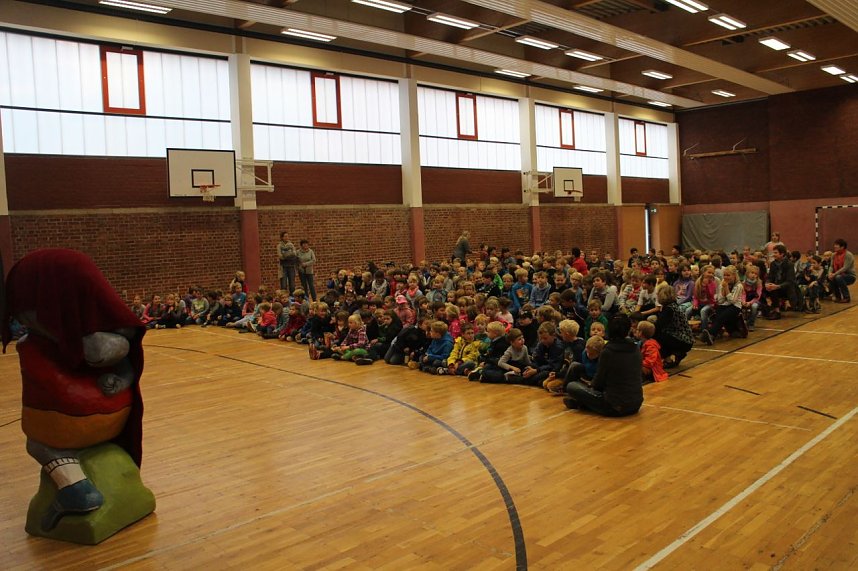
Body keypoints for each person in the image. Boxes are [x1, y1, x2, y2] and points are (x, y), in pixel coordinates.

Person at [564, 314, 644, 417]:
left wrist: (590, 386)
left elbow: (599, 383)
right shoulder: (636, 347)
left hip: (615, 405)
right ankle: (582, 404)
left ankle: (581, 403)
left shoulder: (608, 350)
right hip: (636, 403)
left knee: (572, 386)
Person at [700, 266, 745, 345]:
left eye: (728, 275)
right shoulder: (722, 283)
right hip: (724, 304)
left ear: (734, 276)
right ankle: (712, 336)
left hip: (735, 306)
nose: (726, 277)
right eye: (725, 275)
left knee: (722, 316)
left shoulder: (738, 286)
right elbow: (720, 300)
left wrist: (726, 288)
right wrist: (723, 291)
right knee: (717, 314)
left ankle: (710, 334)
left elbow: (732, 301)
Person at [653, 284, 693, 368]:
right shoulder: (673, 306)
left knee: (656, 336)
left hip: (682, 340)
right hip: (686, 339)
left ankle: (668, 359)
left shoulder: (669, 309)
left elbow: (658, 326)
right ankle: (678, 353)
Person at [828, 238, 855, 303]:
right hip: (838, 274)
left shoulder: (848, 255)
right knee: (831, 278)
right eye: (834, 244)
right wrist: (829, 273)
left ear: (842, 247)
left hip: (850, 276)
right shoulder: (833, 255)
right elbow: (831, 266)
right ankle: (838, 297)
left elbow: (845, 268)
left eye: (836, 245)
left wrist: (834, 274)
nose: (834, 246)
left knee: (838, 277)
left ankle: (846, 297)